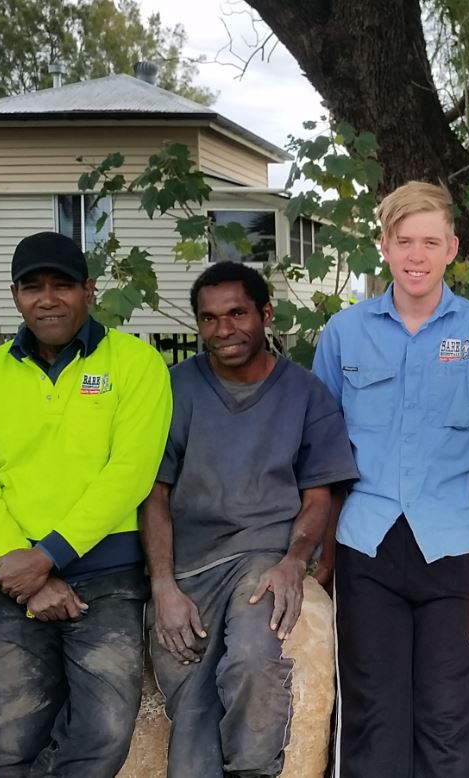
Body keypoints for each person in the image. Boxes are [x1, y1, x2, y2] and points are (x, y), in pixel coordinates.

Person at [312, 180, 469, 777]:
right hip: (366, 551)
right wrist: (323, 561)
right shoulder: (345, 335)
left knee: (448, 723)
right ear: (384, 244)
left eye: (431, 242)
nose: (417, 256)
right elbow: (324, 457)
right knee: (371, 717)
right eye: (405, 241)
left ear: (453, 248)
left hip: (457, 552)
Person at [0, 230, 172, 777]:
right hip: (11, 580)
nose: (47, 299)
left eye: (62, 285)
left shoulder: (135, 364)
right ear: (15, 296)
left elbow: (130, 473)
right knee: (13, 738)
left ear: (89, 291)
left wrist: (48, 556)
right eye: (33, 287)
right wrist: (20, 563)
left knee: (102, 733)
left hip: (107, 577)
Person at [140, 262, 359, 777]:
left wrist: (295, 564)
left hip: (261, 558)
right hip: (189, 566)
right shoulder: (175, 390)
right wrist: (164, 587)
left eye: (237, 313)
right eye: (210, 318)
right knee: (193, 703)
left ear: (265, 314)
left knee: (252, 663)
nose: (224, 329)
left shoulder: (305, 394)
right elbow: (154, 494)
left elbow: (318, 493)